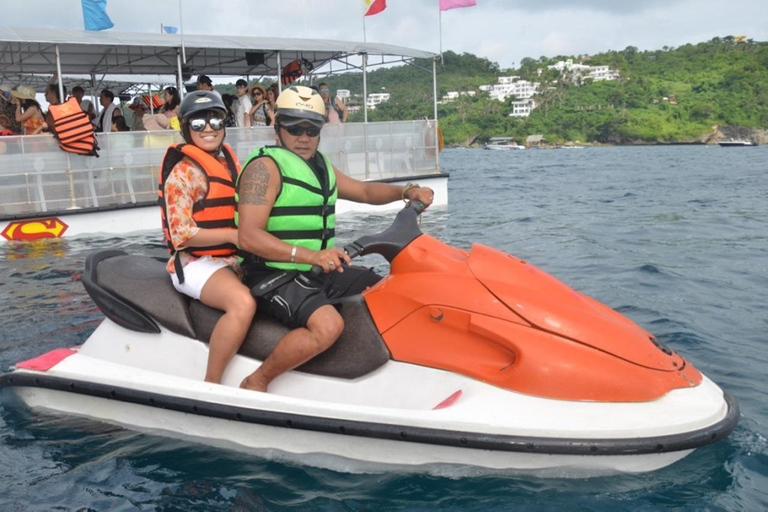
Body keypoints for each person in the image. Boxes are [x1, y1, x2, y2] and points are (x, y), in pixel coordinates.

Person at [236, 85, 434, 392]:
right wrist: (312, 255)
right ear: (278, 128)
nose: (303, 137)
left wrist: (407, 191)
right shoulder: (264, 168)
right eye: (294, 127)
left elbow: (365, 192)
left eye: (312, 129)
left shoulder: (320, 166)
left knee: (386, 288)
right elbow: (248, 237)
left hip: (315, 270)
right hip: (272, 273)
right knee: (328, 327)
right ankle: (257, 381)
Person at [158, 90, 256, 384]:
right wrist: (235, 235)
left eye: (215, 119)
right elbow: (181, 235)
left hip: (234, 257)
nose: (209, 128)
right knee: (243, 304)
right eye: (198, 123)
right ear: (186, 128)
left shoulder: (229, 162)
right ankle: (212, 383)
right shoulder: (184, 173)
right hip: (195, 263)